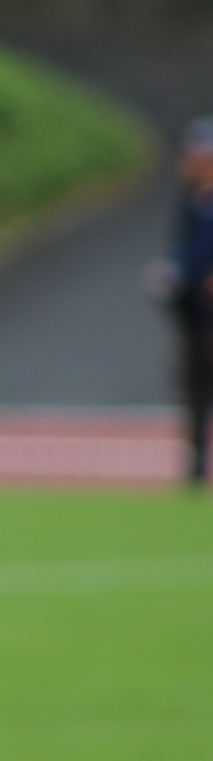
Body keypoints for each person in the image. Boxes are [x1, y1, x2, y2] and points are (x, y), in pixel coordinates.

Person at [165, 118, 213, 488]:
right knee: (193, 383)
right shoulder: (191, 202)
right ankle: (196, 464)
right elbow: (182, 251)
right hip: (194, 310)